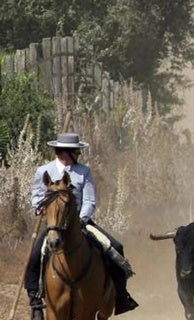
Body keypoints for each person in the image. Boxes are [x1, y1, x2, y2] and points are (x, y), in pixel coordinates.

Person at [25, 133, 138, 319]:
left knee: (116, 247)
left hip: (80, 222)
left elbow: (90, 200)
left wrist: (83, 219)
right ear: (65, 152)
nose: (78, 154)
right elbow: (37, 197)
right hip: (54, 224)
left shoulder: (83, 172)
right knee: (36, 255)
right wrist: (40, 208)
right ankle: (36, 301)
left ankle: (121, 296)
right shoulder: (43, 171)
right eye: (76, 151)